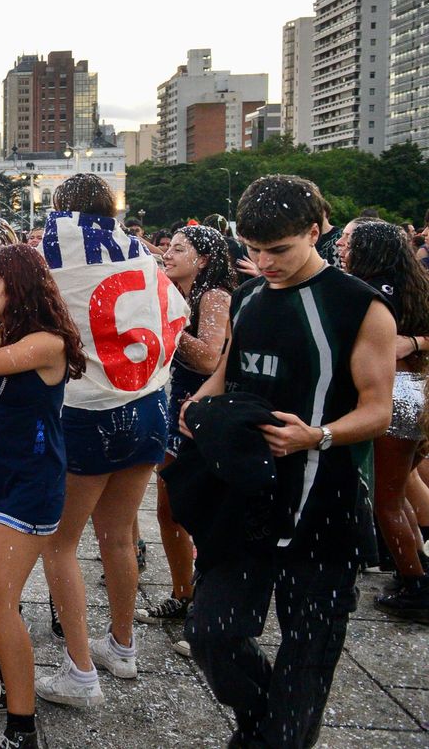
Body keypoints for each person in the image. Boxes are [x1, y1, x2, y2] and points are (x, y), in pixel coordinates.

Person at [179, 175, 395, 748]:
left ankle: (276, 736)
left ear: (316, 231)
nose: (263, 262)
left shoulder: (360, 307)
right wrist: (196, 412)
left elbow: (378, 411)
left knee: (308, 657)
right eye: (252, 249)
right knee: (211, 634)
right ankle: (261, 724)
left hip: (326, 507)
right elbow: (226, 373)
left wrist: (318, 434)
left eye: (278, 250)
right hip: (249, 501)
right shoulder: (249, 297)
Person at [35, 174, 187, 705]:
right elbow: (177, 316)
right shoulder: (143, 255)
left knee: (60, 542)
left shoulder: (51, 254)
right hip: (146, 404)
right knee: (120, 534)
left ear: (60, 209)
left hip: (89, 411)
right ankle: (122, 646)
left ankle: (79, 672)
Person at [0, 244, 87, 749]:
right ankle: (12, 679)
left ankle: (22, 728)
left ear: (17, 289)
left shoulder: (45, 343)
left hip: (31, 482)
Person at [139, 225, 235, 640]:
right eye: (169, 247)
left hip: (203, 412)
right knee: (168, 507)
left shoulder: (213, 296)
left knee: (197, 511)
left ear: (205, 260)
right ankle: (182, 592)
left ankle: (207, 605)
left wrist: (168, 325)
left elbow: (211, 359)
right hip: (175, 406)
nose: (169, 253)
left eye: (181, 249)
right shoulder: (179, 291)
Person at [343, 220, 429, 618]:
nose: (343, 246)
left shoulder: (372, 293)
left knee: (386, 500)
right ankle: (416, 566)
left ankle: (415, 586)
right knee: (397, 493)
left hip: (393, 397)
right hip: (416, 391)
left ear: (369, 252)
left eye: (350, 242)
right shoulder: (413, 284)